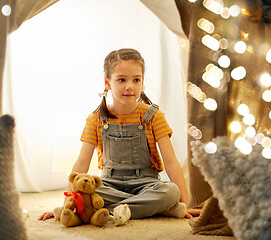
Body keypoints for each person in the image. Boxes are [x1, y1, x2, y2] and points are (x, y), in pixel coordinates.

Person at [39, 48, 200, 221]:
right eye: (121, 79)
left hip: (145, 183)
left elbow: (171, 162)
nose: (129, 86)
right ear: (107, 82)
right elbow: (81, 163)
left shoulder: (154, 117)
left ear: (142, 82)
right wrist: (68, 204)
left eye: (136, 80)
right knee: (84, 189)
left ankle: (100, 210)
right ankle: (155, 209)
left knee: (170, 192)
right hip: (109, 183)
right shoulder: (96, 119)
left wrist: (186, 204)